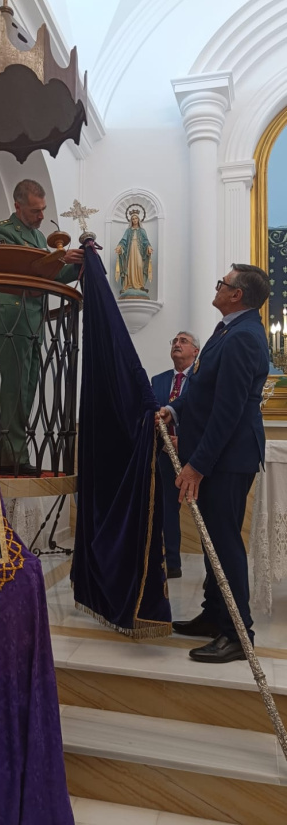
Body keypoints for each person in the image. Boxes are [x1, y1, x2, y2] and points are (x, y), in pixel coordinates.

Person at [158, 264, 270, 663]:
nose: (218, 286)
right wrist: (174, 409)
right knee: (211, 544)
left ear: (237, 294)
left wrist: (198, 465)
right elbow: (203, 388)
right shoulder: (227, 330)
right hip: (218, 455)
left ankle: (238, 634)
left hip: (227, 458)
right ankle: (213, 615)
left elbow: (228, 410)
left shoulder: (243, 338)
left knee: (224, 544)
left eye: (223, 283)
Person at [0, 179, 83, 476]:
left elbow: (49, 277)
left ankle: (7, 452)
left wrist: (77, 264)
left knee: (28, 386)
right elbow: (23, 268)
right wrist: (57, 258)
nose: (41, 216)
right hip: (12, 314)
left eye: (43, 210)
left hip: (31, 317)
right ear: (17, 207)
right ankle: (14, 454)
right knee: (15, 385)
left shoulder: (39, 236)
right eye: (34, 211)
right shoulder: (3, 230)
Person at [151, 331, 200, 578]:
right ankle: (172, 564)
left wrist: (186, 441)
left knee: (208, 513)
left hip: (197, 455)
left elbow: (203, 415)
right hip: (164, 455)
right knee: (167, 508)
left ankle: (213, 573)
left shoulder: (202, 379)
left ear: (196, 351)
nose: (177, 344)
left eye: (184, 341)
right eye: (174, 341)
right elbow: (152, 415)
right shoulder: (158, 381)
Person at [115, 212, 152, 295]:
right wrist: (120, 246)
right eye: (133, 219)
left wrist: (149, 247)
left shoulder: (142, 231)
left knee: (139, 265)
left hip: (139, 250)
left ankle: (140, 284)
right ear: (131, 221)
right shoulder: (128, 231)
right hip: (130, 250)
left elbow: (146, 241)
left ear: (138, 220)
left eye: (136, 219)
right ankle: (129, 284)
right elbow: (124, 240)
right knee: (130, 266)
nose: (134, 220)